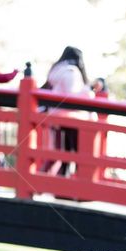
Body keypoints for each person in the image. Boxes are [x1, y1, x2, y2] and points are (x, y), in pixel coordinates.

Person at [43, 46, 92, 176]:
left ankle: (46, 181)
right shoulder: (72, 72)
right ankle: (70, 185)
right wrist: (89, 91)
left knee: (61, 152)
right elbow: (72, 95)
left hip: (56, 115)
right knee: (73, 152)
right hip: (70, 117)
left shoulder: (58, 70)